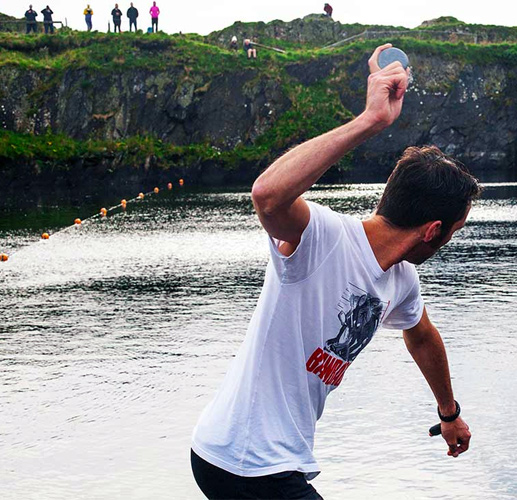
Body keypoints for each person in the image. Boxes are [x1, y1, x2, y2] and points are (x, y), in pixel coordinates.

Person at [191, 44, 475, 500]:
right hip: (243, 459)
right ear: (433, 230)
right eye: (453, 233)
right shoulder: (323, 236)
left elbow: (421, 334)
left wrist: (448, 411)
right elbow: (266, 195)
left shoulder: (401, 281)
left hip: (275, 461)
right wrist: (371, 121)